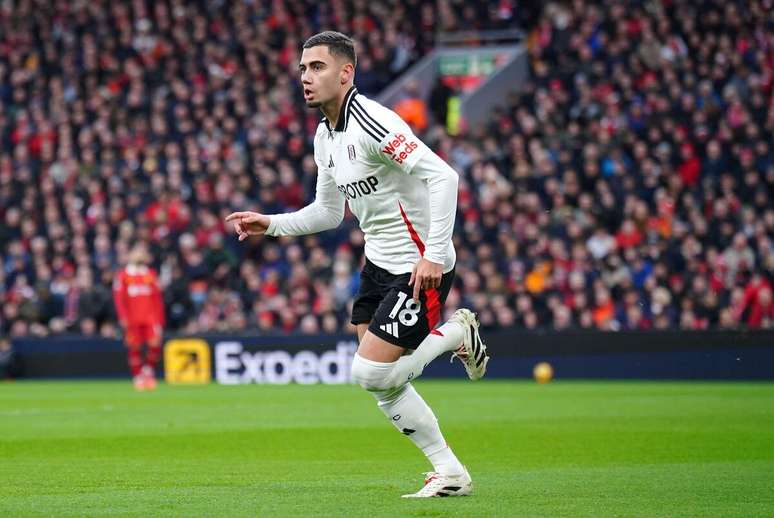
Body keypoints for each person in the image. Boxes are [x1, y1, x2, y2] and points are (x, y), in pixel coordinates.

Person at [226, 31, 489, 498]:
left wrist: (433, 253)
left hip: (419, 263)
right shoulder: (324, 137)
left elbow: (443, 177)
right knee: (383, 383)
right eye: (303, 69)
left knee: (368, 373)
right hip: (379, 265)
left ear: (346, 73)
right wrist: (272, 223)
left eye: (317, 67)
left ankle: (454, 333)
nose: (306, 77)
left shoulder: (373, 122)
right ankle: (449, 471)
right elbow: (328, 212)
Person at [112, 244, 165, 391]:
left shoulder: (150, 274)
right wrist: (123, 317)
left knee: (154, 346)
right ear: (131, 255)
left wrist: (160, 320)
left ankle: (147, 371)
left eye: (142, 252)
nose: (140, 255)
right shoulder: (123, 276)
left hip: (150, 318)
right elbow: (119, 299)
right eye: (137, 252)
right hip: (132, 319)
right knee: (134, 348)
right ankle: (138, 377)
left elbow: (157, 298)